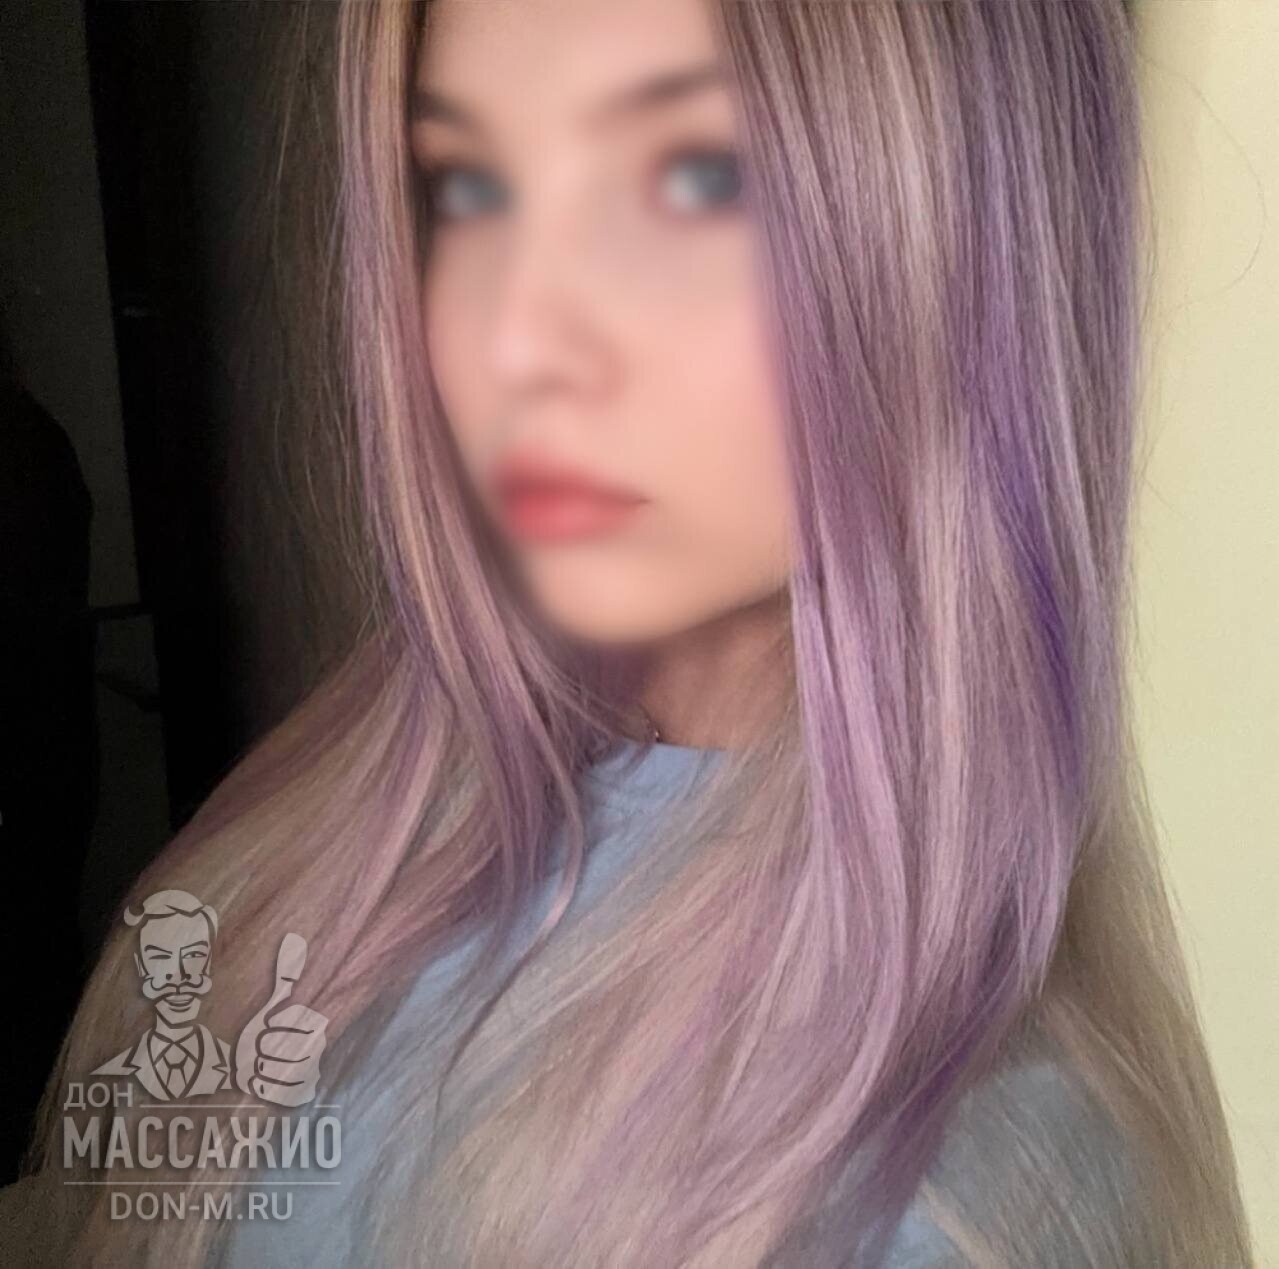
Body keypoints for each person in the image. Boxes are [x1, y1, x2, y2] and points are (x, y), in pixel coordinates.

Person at [5, 0, 1255, 1265]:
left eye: (700, 176)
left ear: (978, 240)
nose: (514, 341)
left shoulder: (949, 1202)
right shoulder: (340, 819)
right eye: (465, 189)